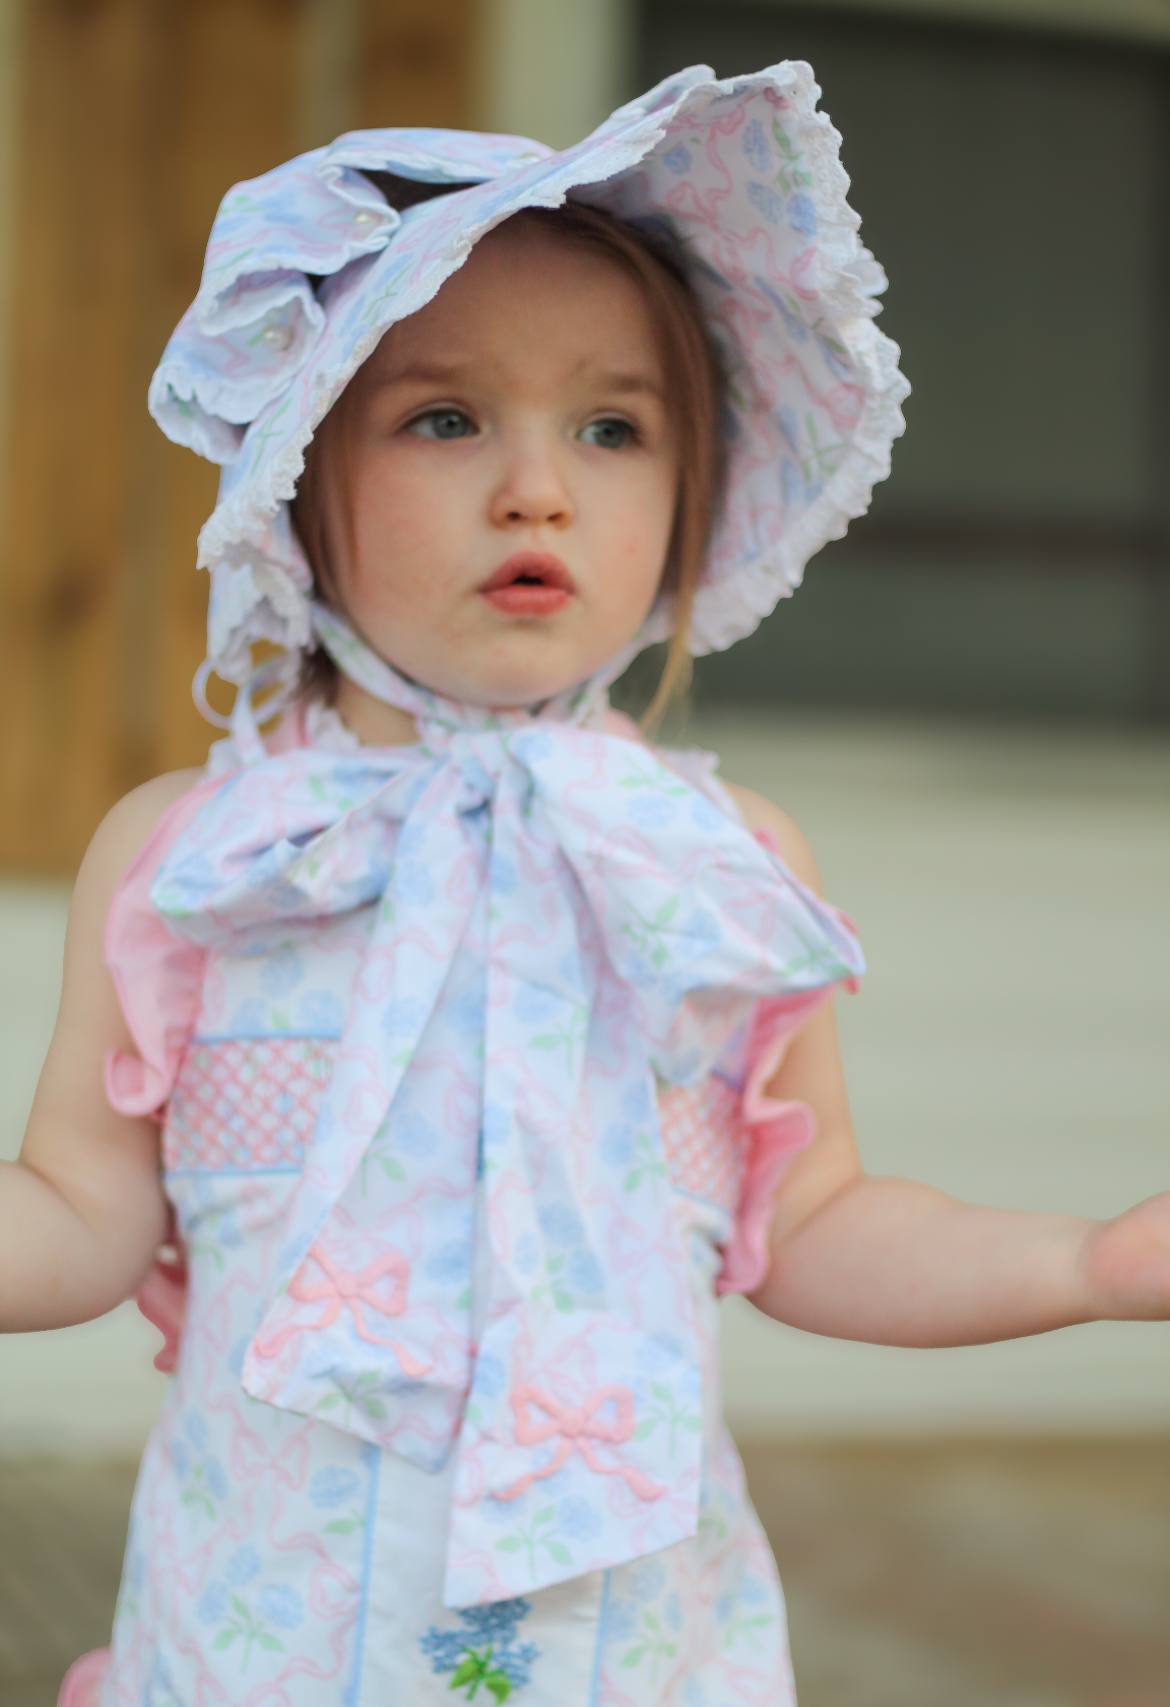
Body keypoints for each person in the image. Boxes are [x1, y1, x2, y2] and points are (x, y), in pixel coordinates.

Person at [2, 61, 1165, 1707]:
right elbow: (70, 1222)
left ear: (687, 505)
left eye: (611, 427)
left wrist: (1085, 1267)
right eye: (444, 417)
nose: (537, 484)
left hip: (629, 1654)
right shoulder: (206, 856)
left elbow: (817, 1224)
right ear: (296, 485)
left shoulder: (719, 868)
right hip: (266, 1639)